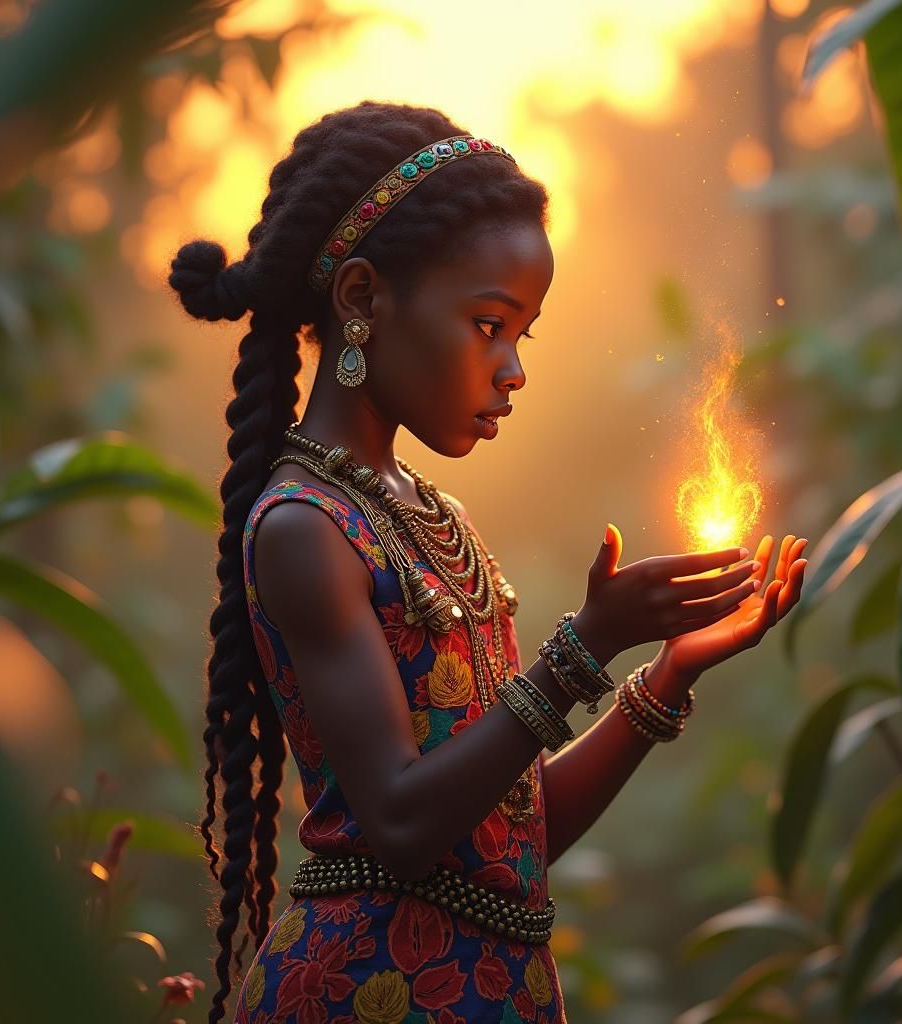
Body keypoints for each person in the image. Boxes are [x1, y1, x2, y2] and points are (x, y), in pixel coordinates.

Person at [167, 100, 808, 1024]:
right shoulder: (306, 527)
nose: (512, 368)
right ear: (360, 299)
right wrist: (586, 643)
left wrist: (668, 670)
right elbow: (399, 824)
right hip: (367, 995)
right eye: (486, 324)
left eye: (524, 334)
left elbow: (511, 832)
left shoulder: (434, 516)